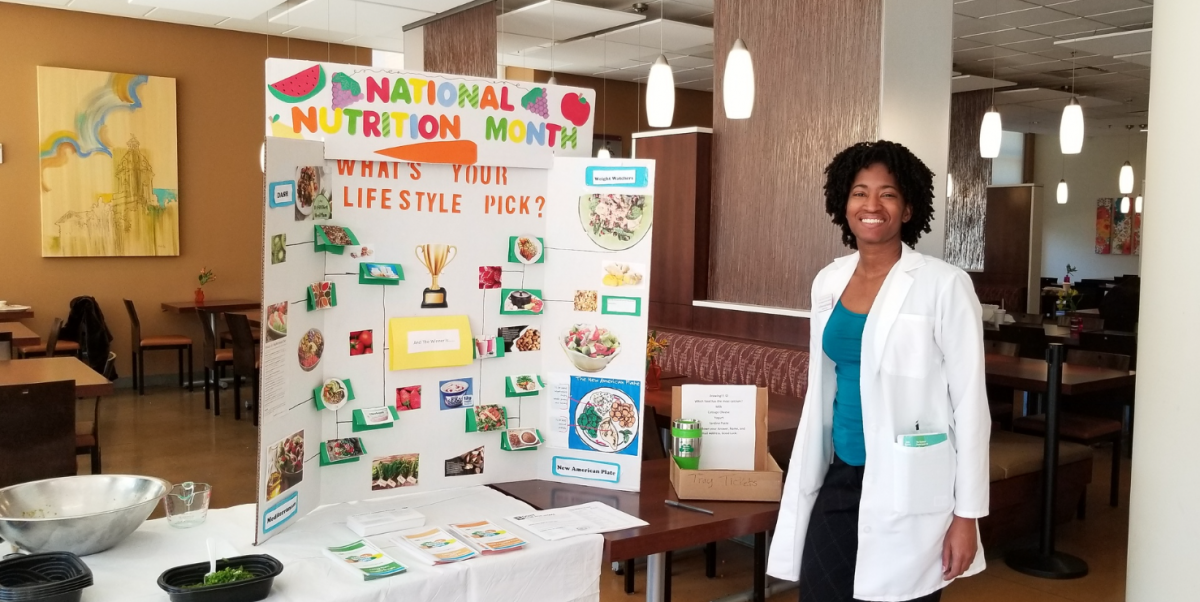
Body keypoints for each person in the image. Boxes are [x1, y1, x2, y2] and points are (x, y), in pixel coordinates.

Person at [767, 141, 991, 601]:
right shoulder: (828, 281)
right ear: (842, 204)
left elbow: (971, 408)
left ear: (909, 207)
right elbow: (825, 382)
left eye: (888, 194)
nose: (872, 205)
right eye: (859, 192)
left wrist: (967, 516)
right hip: (840, 472)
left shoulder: (944, 285)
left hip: (909, 483)